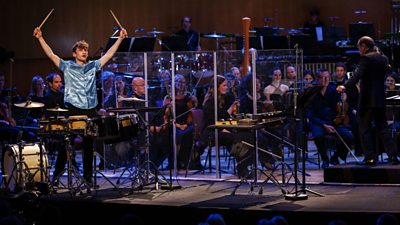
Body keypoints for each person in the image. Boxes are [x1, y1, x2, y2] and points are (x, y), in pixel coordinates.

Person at [33, 25, 128, 184]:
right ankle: (56, 176)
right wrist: (40, 37)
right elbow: (50, 54)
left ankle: (88, 178)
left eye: (86, 50)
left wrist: (120, 38)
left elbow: (110, 54)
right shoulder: (67, 66)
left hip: (90, 109)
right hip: (73, 108)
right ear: (74, 53)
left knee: (89, 145)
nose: (84, 52)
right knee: (67, 144)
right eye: (81, 50)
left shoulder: (93, 66)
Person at [337, 36, 399, 165]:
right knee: (383, 128)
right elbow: (388, 70)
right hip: (380, 98)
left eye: (359, 47)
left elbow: (357, 75)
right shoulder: (383, 58)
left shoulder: (366, 58)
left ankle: (370, 158)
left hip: (367, 99)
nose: (359, 50)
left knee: (364, 128)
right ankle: (393, 156)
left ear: (364, 46)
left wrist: (345, 85)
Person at [307, 69, 353, 168]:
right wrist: (323, 125)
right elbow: (310, 114)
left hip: (333, 121)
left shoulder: (333, 91)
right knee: (318, 135)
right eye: (322, 78)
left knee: (349, 136)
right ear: (317, 79)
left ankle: (335, 157)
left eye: (326, 78)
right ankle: (325, 159)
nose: (324, 80)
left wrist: (343, 101)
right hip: (319, 122)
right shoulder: (311, 93)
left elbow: (339, 109)